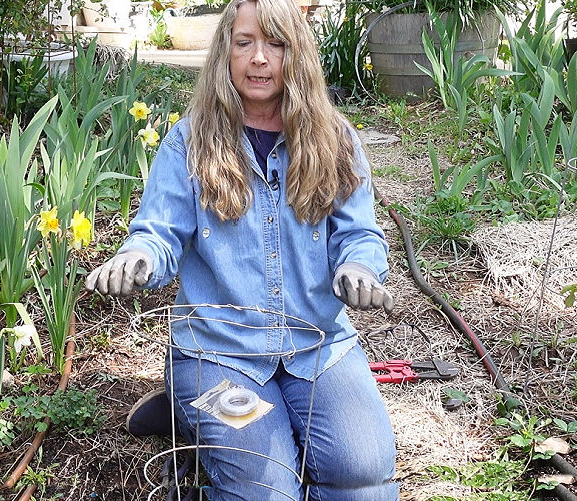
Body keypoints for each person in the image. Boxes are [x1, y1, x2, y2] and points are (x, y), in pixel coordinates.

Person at [85, 0, 398, 499]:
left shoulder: (335, 140)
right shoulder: (188, 144)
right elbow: (158, 232)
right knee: (266, 488)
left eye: (275, 43)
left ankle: (206, 418)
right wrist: (136, 258)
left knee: (363, 474)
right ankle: (193, 412)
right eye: (245, 42)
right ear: (225, 53)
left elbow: (359, 234)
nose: (259, 58)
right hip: (218, 353)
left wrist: (359, 266)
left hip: (317, 346)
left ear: (296, 55)